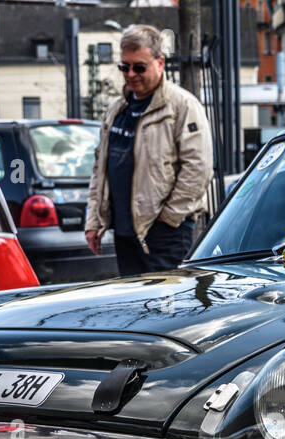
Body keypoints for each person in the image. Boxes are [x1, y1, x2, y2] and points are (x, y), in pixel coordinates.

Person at [85, 24, 213, 276]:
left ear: (160, 63)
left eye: (139, 67)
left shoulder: (182, 106)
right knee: (134, 309)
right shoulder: (116, 109)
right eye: (124, 67)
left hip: (166, 234)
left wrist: (168, 218)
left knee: (169, 310)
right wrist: (94, 222)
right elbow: (100, 168)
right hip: (124, 233)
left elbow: (198, 168)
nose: (131, 74)